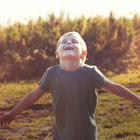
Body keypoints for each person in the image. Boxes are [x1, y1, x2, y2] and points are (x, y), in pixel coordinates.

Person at [0, 31, 140, 140]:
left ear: (83, 53)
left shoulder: (91, 72)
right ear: (57, 54)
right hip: (60, 135)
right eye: (64, 42)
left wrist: (138, 100)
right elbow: (32, 96)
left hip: (86, 135)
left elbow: (114, 87)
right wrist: (12, 114)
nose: (69, 43)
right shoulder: (51, 74)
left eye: (74, 41)